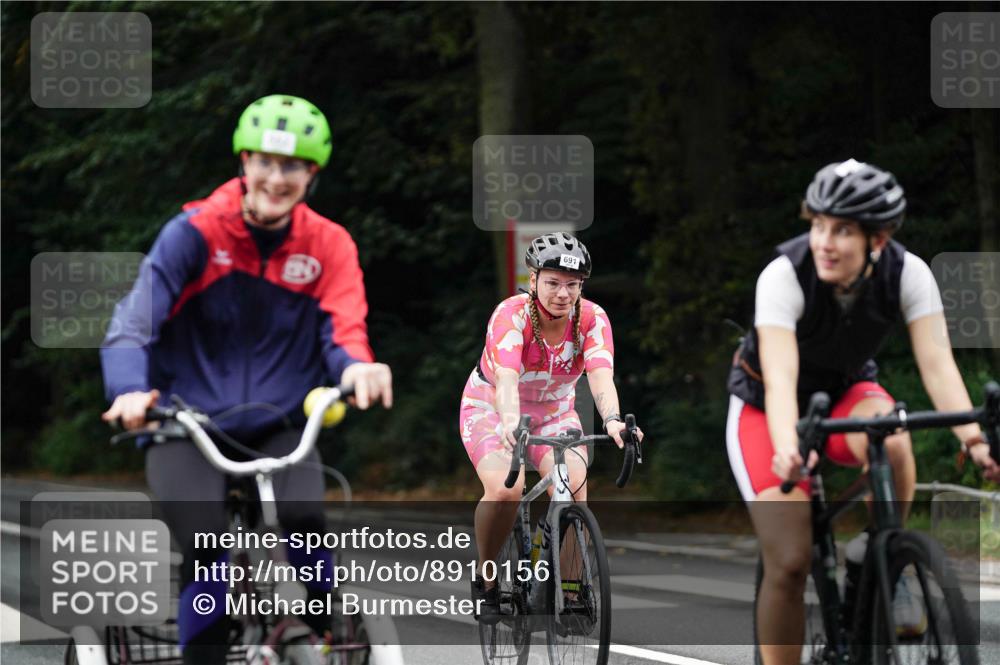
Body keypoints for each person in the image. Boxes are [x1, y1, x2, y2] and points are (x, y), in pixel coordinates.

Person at [100, 94, 393, 664]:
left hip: (280, 420)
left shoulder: (329, 244)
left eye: (292, 166)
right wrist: (129, 391)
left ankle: (321, 633)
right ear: (243, 161)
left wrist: (357, 367)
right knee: (206, 547)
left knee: (305, 519)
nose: (275, 178)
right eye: (264, 161)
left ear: (312, 174)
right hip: (183, 421)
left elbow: (344, 330)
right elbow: (134, 322)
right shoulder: (195, 232)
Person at [726, 159, 1000, 665]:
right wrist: (789, 448)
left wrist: (974, 439)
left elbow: (938, 367)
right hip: (767, 408)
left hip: (849, 391)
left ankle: (886, 560)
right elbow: (783, 378)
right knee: (789, 561)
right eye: (819, 226)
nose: (825, 242)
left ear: (877, 239)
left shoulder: (908, 272)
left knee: (893, 436)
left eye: (843, 230)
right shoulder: (784, 276)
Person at [460, 231, 644, 623]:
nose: (563, 293)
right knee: (505, 490)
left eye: (573, 285)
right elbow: (507, 379)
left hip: (556, 411)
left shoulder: (592, 320)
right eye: (553, 283)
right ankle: (487, 577)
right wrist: (510, 421)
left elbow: (600, 377)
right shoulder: (511, 316)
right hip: (493, 406)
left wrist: (612, 420)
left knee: (574, 490)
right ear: (534, 280)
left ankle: (571, 589)